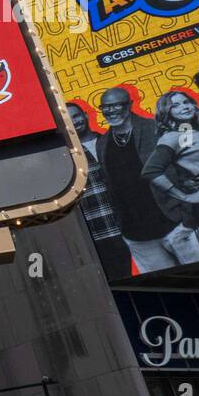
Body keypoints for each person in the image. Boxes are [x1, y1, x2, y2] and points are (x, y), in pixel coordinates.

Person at [95, 86, 199, 273]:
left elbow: (184, 169)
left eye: (117, 105)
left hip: (175, 224)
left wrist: (187, 216)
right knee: (168, 291)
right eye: (106, 106)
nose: (111, 111)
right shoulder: (102, 143)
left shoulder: (155, 128)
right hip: (137, 235)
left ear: (130, 104)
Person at [142, 90, 199, 259]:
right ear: (167, 112)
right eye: (175, 106)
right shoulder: (172, 137)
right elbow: (151, 171)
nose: (184, 107)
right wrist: (186, 197)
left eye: (186, 102)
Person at [66, 102, 131, 281]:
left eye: (77, 115)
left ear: (86, 115)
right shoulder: (68, 157)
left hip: (133, 229)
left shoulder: (112, 141)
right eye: (68, 118)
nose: (75, 121)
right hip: (100, 233)